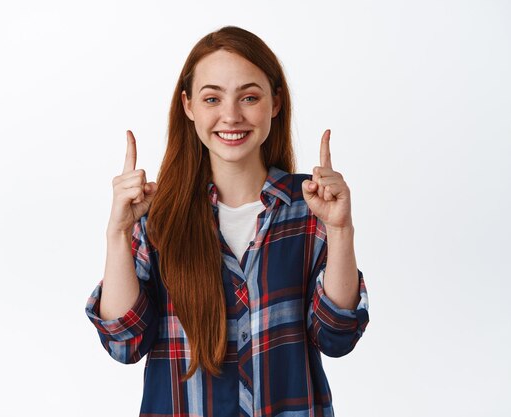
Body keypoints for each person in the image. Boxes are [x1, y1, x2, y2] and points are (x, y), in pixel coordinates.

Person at [85, 25, 369, 417]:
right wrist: (117, 233)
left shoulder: (310, 207)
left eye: (249, 97)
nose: (231, 116)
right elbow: (125, 343)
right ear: (189, 107)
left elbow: (337, 336)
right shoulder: (157, 217)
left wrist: (340, 230)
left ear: (275, 102)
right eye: (212, 98)